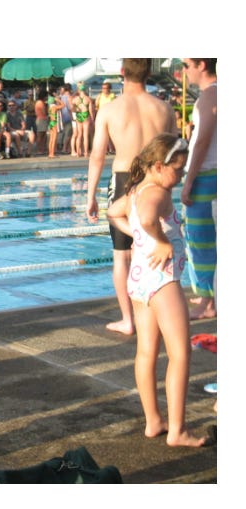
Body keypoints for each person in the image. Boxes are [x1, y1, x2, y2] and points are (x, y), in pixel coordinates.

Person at [106, 134, 212, 448]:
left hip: (139, 280)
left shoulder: (137, 189)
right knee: (180, 355)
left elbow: (114, 212)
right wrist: (161, 241)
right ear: (158, 166)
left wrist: (138, 235)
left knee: (146, 352)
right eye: (177, 170)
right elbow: (151, 218)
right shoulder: (159, 193)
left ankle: (154, 421)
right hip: (163, 281)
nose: (179, 177)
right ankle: (177, 431)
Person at [86, 59, 176, 336]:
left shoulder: (110, 109)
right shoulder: (164, 108)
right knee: (153, 249)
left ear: (122, 72)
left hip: (124, 179)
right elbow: (174, 154)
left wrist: (91, 196)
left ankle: (129, 320)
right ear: (149, 72)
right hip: (155, 181)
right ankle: (155, 314)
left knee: (121, 256)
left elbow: (98, 155)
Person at [180, 58, 216, 321]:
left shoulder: (208, 97)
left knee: (200, 240)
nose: (183, 71)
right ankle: (209, 293)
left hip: (205, 177)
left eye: (186, 64)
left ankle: (207, 302)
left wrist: (189, 180)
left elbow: (201, 141)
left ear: (201, 65)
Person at [71, 82, 92, 157]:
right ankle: (86, 152)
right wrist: (92, 119)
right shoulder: (88, 99)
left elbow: (72, 109)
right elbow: (90, 111)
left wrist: (77, 109)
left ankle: (78, 153)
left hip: (79, 115)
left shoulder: (75, 99)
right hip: (85, 115)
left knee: (79, 134)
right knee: (85, 135)